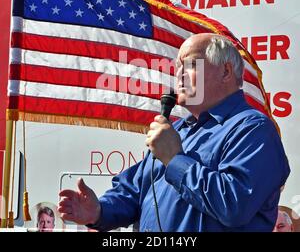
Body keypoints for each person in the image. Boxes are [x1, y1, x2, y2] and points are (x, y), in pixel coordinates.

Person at [58, 33, 290, 232]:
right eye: (177, 66)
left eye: (189, 65)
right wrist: (98, 211)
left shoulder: (253, 130)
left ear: (226, 72)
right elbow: (133, 191)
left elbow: (234, 204)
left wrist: (175, 160)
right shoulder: (178, 130)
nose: (178, 74)